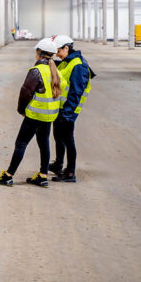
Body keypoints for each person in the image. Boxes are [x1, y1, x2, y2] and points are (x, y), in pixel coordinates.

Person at [0, 38, 63, 188]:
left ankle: (8, 176)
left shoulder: (37, 71)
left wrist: (21, 110)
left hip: (35, 115)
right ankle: (43, 176)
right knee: (44, 144)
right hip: (49, 116)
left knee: (21, 143)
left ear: (39, 54)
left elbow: (25, 92)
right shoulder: (56, 71)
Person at [50, 35, 94, 183]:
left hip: (68, 110)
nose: (56, 53)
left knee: (68, 139)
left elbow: (76, 92)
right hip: (60, 108)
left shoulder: (78, 65)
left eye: (58, 50)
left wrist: (67, 114)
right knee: (58, 137)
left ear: (66, 48)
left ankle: (70, 173)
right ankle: (58, 165)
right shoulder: (66, 62)